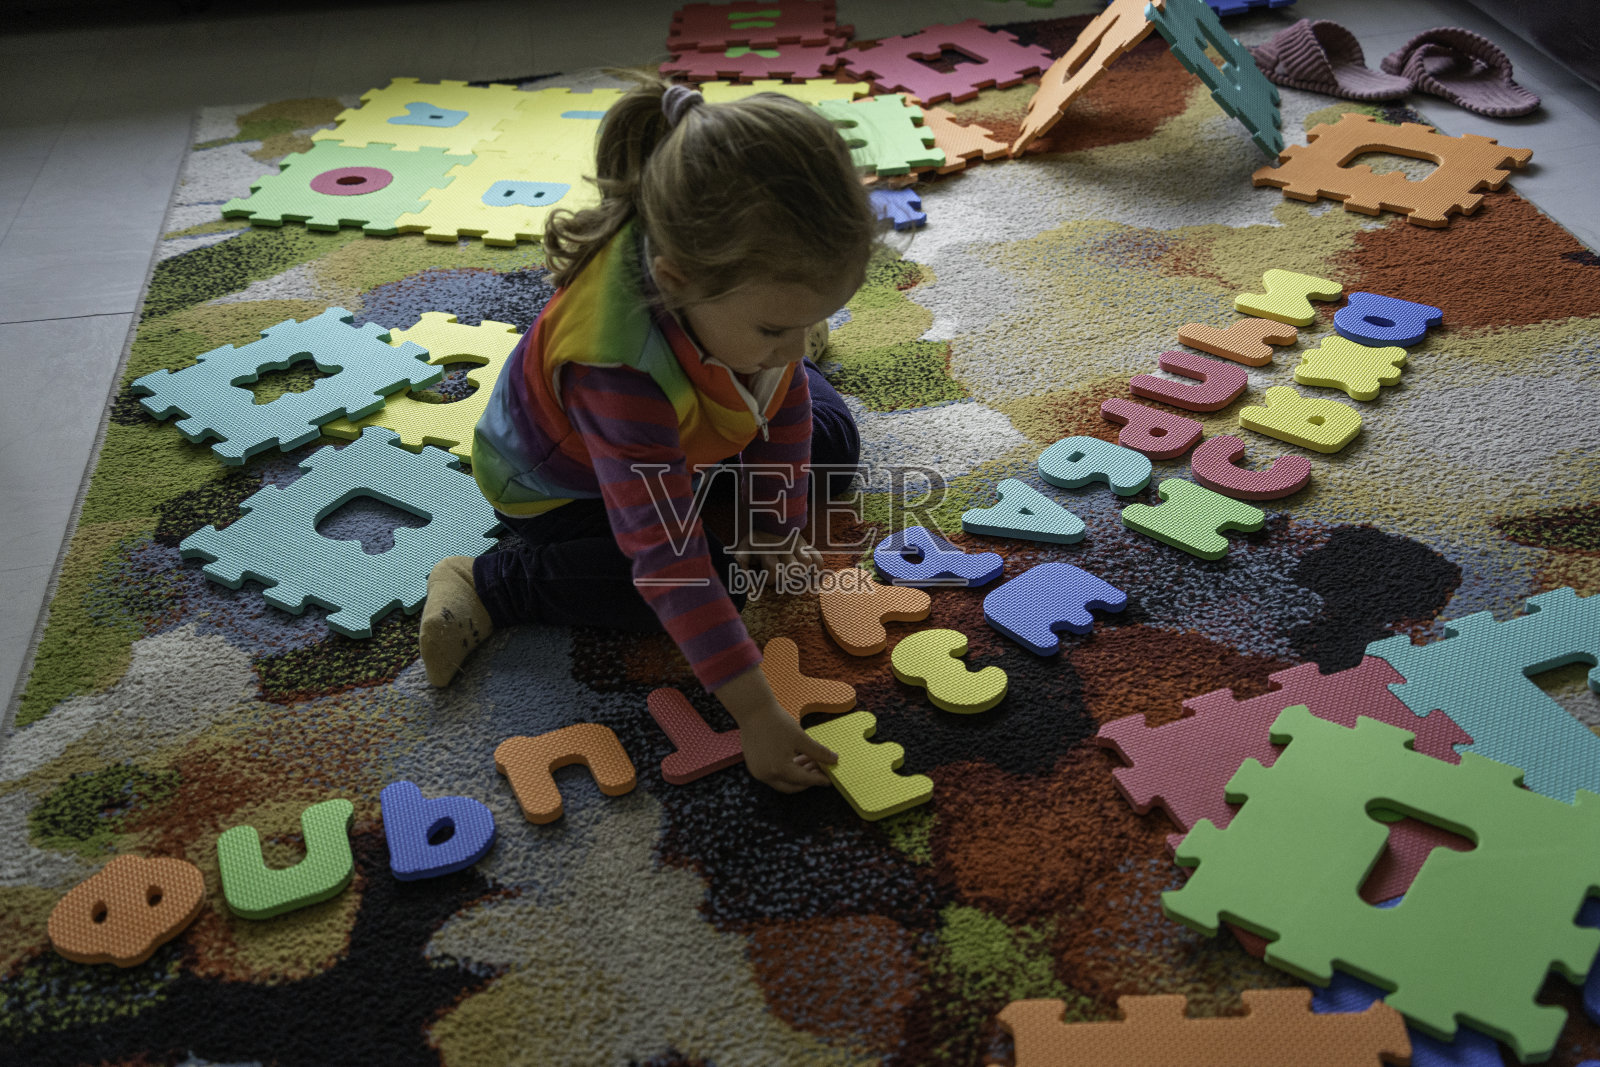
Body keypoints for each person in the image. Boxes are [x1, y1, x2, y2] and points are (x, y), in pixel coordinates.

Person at [419, 75, 881, 794]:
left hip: (700, 405)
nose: (791, 349)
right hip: (565, 492)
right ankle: (490, 583)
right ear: (676, 281)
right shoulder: (615, 366)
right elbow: (665, 555)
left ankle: (759, 345)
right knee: (705, 581)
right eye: (773, 326)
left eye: (806, 321)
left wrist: (771, 517)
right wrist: (755, 712)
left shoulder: (722, 278)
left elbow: (784, 401)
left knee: (829, 441)